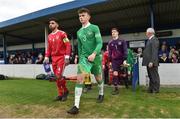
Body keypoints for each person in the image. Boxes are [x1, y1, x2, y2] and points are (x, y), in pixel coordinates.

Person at [67, 8, 104, 114]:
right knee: (80, 79)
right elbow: (79, 47)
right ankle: (76, 106)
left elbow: (100, 43)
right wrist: (77, 57)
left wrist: (94, 53)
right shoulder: (79, 32)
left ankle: (101, 93)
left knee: (98, 78)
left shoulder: (94, 28)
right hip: (84, 59)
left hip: (95, 58)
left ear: (88, 16)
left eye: (83, 15)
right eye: (79, 16)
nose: (81, 18)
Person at [43, 17, 71, 101]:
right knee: (57, 77)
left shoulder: (62, 34)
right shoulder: (49, 36)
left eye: (52, 23)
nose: (50, 24)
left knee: (58, 76)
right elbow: (49, 48)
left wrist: (67, 57)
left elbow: (68, 45)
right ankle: (61, 93)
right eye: (50, 23)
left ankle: (65, 92)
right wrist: (46, 57)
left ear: (57, 24)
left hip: (61, 58)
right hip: (53, 59)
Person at [108, 28, 128, 95]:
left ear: (117, 33)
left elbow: (125, 50)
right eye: (112, 32)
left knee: (124, 74)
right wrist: (110, 61)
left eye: (114, 32)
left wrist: (125, 59)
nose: (113, 33)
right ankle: (116, 89)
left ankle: (126, 83)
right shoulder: (110, 43)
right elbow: (110, 53)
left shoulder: (122, 41)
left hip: (122, 60)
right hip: (114, 61)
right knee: (115, 73)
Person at [142, 28, 160, 93]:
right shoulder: (150, 40)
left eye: (146, 32)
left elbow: (154, 52)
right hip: (148, 62)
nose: (146, 33)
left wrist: (152, 61)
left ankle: (156, 89)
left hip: (152, 62)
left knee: (154, 76)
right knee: (150, 76)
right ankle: (151, 89)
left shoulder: (154, 40)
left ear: (150, 33)